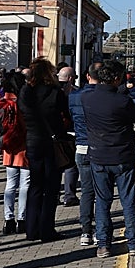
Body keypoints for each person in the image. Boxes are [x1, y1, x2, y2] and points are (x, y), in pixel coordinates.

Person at [82, 59, 135, 257]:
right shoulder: (122, 101)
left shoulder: (86, 99)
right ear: (116, 79)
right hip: (123, 157)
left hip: (98, 157)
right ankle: (134, 243)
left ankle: (103, 244)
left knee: (102, 201)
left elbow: (108, 99)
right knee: (128, 200)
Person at [17, 58, 72, 242]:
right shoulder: (54, 92)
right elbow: (65, 114)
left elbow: (23, 113)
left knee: (35, 185)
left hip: (32, 141)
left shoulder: (25, 91)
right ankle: (47, 229)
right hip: (51, 142)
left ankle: (31, 229)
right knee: (51, 187)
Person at [68, 61, 101, 246]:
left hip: (81, 147)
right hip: (101, 149)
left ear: (88, 76)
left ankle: (85, 232)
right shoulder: (106, 97)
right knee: (102, 193)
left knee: (87, 192)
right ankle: (100, 232)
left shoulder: (73, 97)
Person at [0, 71, 30, 234]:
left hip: (7, 148)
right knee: (25, 185)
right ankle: (22, 219)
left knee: (10, 185)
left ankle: (8, 219)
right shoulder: (21, 103)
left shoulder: (1, 102)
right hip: (23, 148)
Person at [57, 65, 80, 206]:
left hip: (53, 133)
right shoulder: (75, 93)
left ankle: (53, 194)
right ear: (71, 78)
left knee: (56, 165)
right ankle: (69, 195)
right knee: (71, 164)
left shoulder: (50, 91)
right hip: (71, 132)